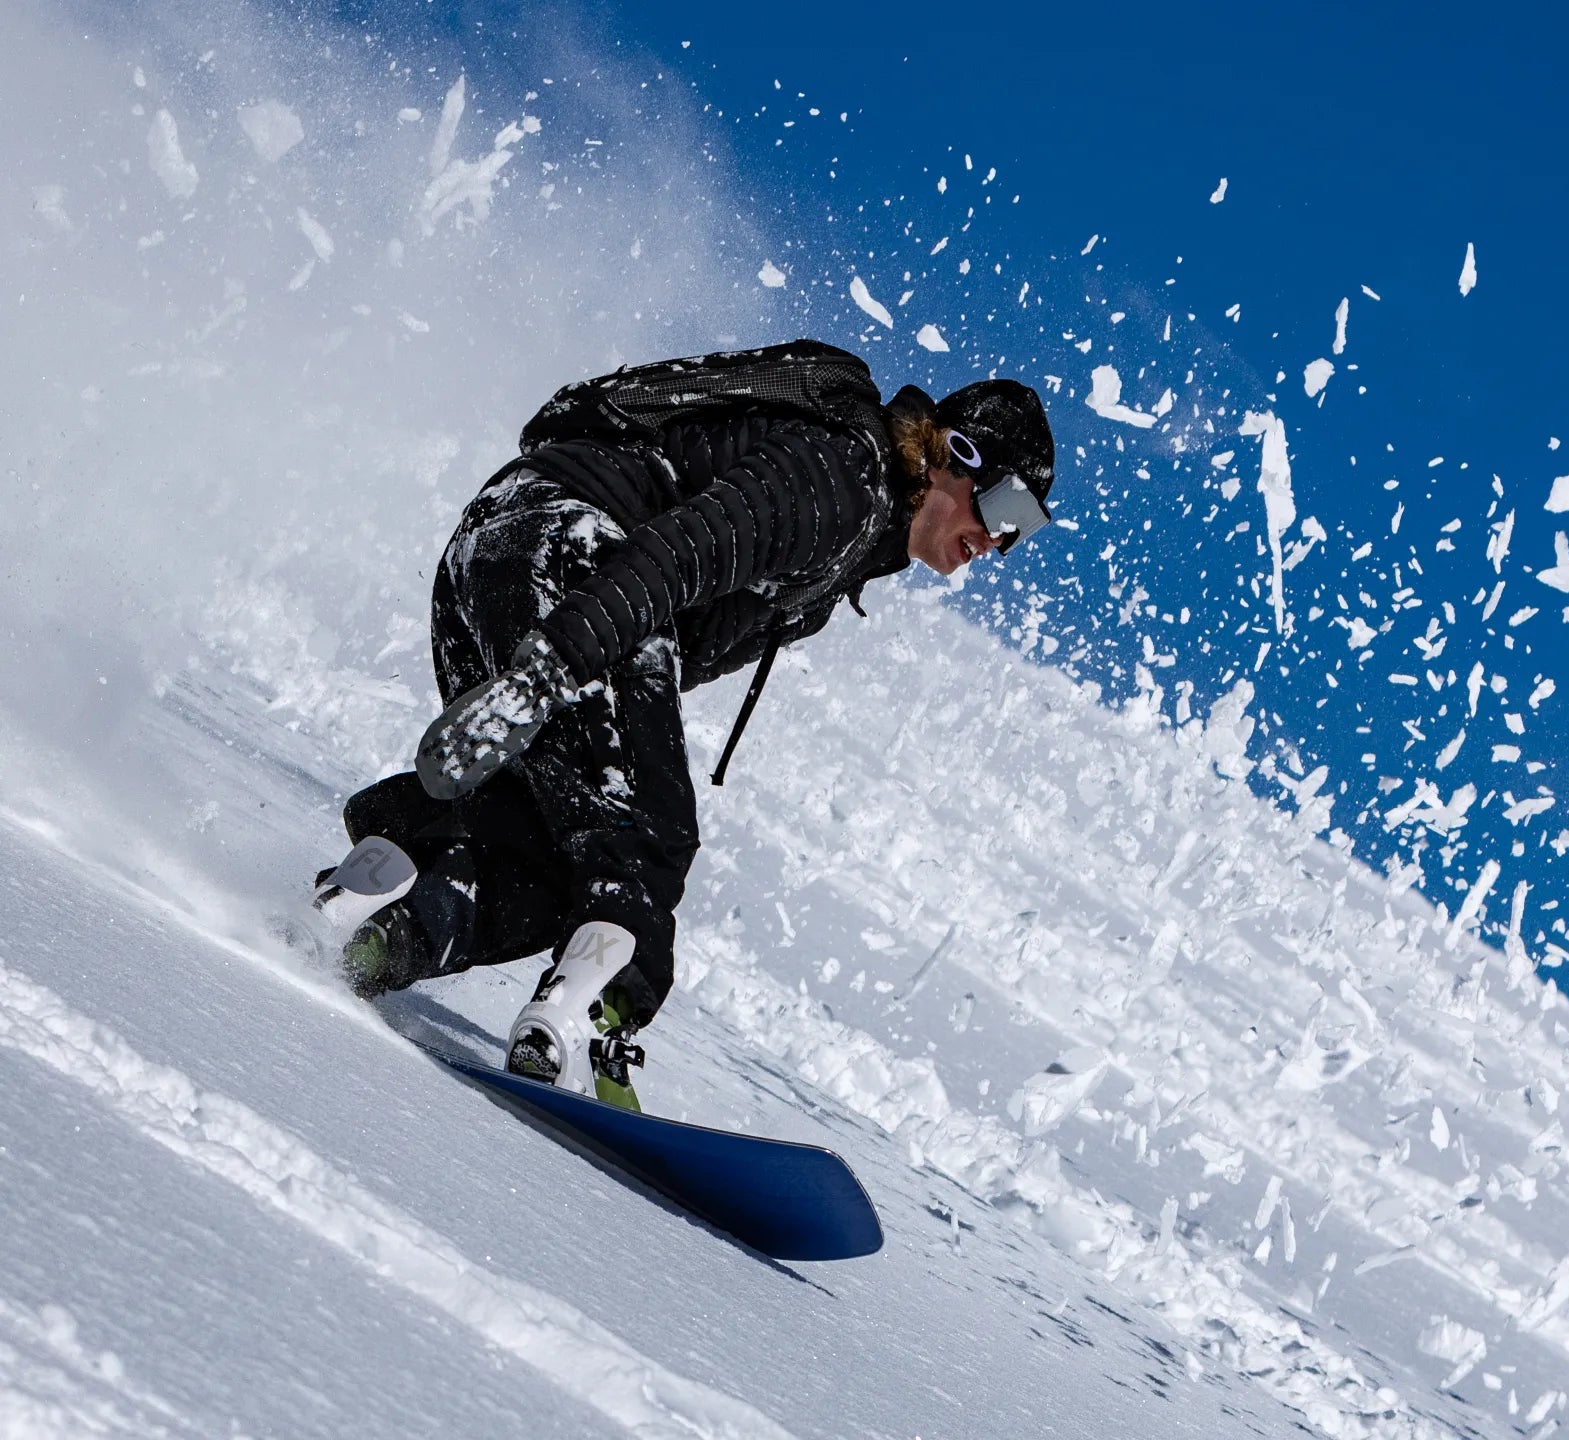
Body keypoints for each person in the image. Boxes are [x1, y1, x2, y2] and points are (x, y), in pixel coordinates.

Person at [309, 339, 1057, 1110]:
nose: (998, 543)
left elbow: (669, 657)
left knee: (539, 857)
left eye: (1023, 532)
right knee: (648, 841)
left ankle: (370, 923)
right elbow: (676, 556)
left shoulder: (846, 546)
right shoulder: (843, 480)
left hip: (500, 555)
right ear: (953, 456)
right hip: (569, 560)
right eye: (1004, 509)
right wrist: (548, 675)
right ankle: (584, 1027)